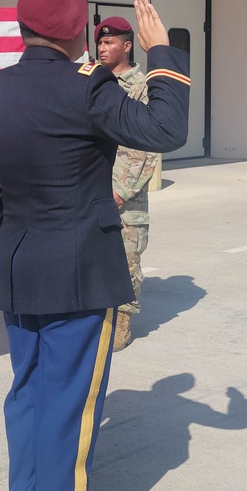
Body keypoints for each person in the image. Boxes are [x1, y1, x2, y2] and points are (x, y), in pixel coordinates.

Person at [0, 0, 189, 491]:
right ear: (74, 33)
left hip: (18, 265)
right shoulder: (88, 86)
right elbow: (166, 131)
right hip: (79, 268)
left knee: (28, 393)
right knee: (69, 398)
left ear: (21, 29)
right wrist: (161, 53)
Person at [95, 17, 160, 352]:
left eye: (110, 43)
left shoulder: (141, 87)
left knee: (126, 257)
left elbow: (145, 145)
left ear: (127, 46)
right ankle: (96, 318)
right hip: (90, 188)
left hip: (126, 194)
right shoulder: (93, 82)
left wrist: (120, 190)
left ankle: (122, 321)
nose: (103, 49)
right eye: (100, 43)